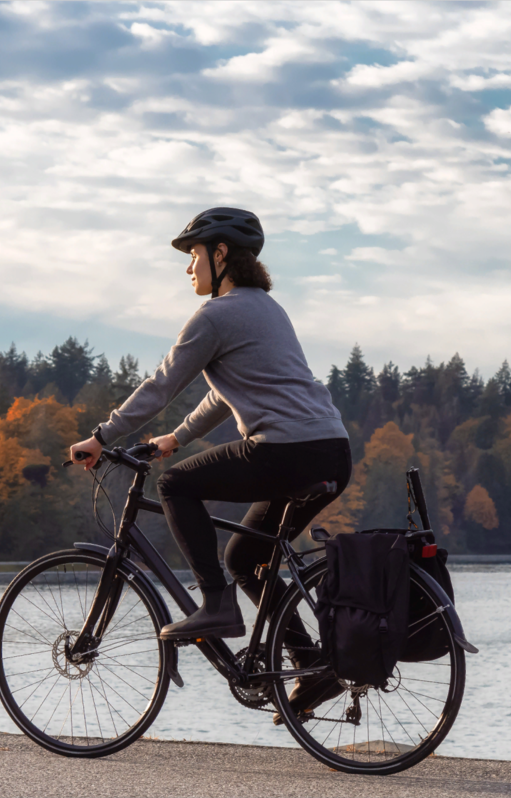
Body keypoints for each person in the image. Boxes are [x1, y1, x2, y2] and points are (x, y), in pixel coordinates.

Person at [68, 207, 352, 690]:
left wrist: (100, 436)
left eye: (194, 254)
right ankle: (312, 665)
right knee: (245, 559)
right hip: (331, 451)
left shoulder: (216, 315)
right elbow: (225, 393)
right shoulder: (267, 308)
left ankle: (216, 606)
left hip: (283, 450)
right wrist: (177, 437)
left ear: (221, 254)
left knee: (176, 483)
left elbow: (162, 384)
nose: (189, 267)